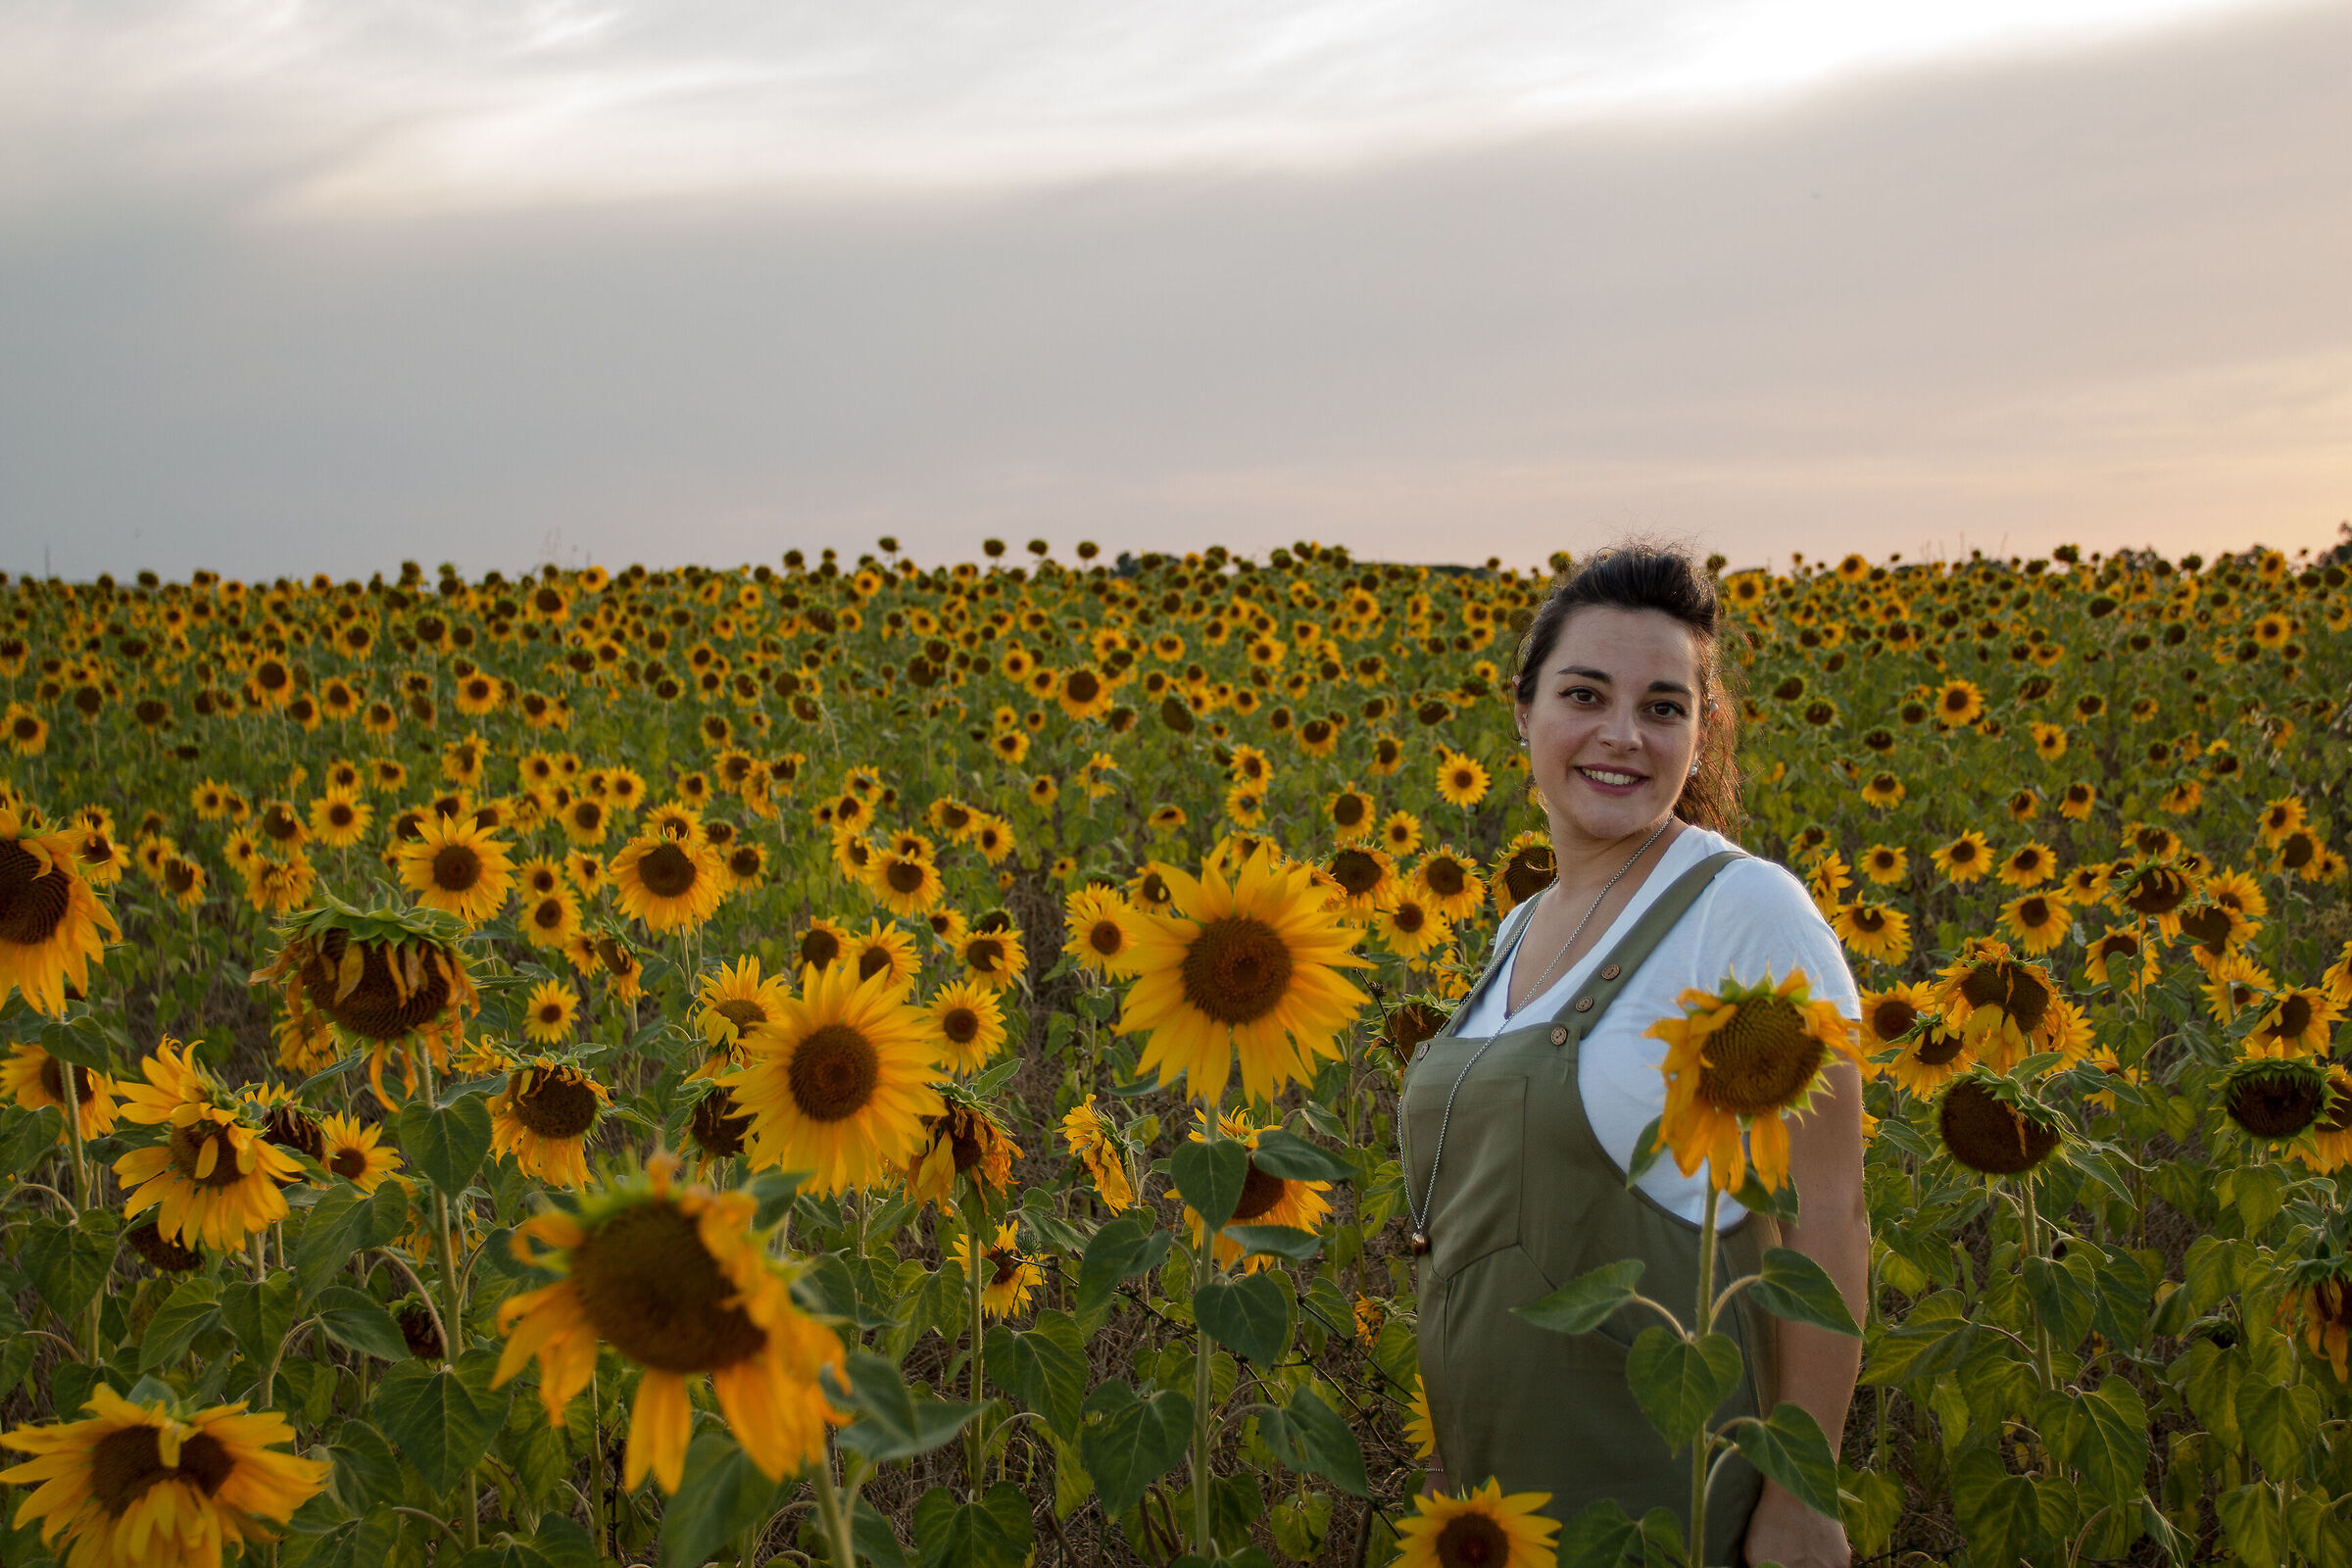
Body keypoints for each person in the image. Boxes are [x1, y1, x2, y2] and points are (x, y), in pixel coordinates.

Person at [1399, 543, 1867, 1568]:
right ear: (1523, 710)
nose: (1622, 735)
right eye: (1585, 694)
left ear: (1700, 739)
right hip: (1496, 1505)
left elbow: (1827, 1211)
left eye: (1663, 707)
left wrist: (1801, 1495)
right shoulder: (1519, 928)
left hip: (1662, 1495)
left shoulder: (1745, 910)